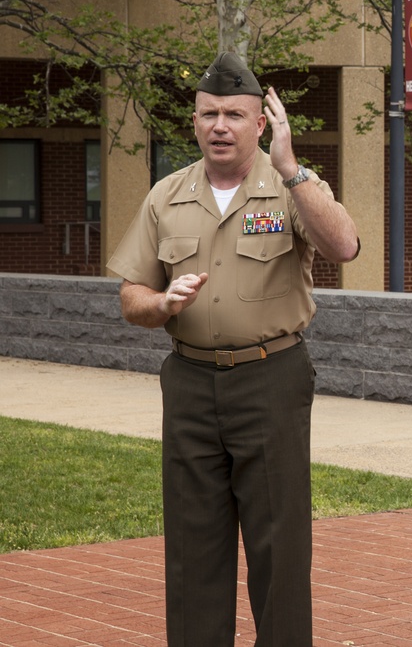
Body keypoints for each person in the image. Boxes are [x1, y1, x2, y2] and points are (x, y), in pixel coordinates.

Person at [107, 52, 360, 646]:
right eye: (209, 114)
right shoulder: (166, 196)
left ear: (260, 123)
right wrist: (163, 303)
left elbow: (344, 245)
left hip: (271, 379)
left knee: (280, 545)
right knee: (193, 547)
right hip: (190, 383)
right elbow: (130, 296)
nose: (220, 125)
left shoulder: (290, 185)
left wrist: (292, 167)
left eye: (235, 115)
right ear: (194, 122)